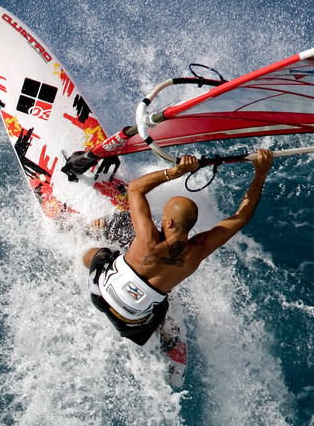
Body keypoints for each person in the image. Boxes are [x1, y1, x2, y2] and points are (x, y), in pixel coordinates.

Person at [83, 148, 273, 345]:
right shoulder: (197, 251)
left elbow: (135, 189)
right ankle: (167, 336)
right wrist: (261, 173)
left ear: (169, 222)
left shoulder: (148, 239)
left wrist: (176, 172)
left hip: (102, 296)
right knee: (164, 301)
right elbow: (241, 218)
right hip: (134, 325)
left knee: (101, 253)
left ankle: (80, 240)